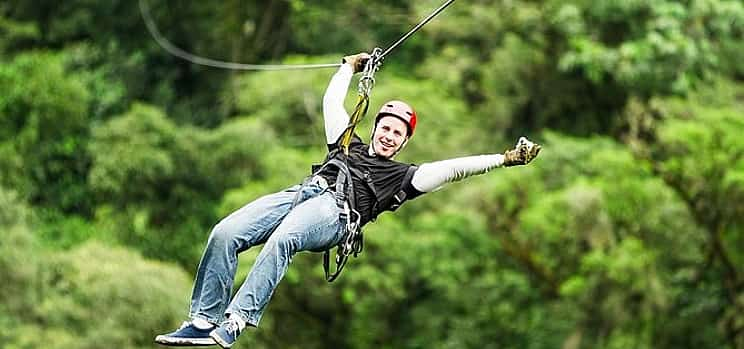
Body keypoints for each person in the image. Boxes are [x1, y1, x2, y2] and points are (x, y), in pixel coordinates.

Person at [155, 53, 541, 348]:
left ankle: (235, 321)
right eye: (386, 128)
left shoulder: (404, 177)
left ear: (405, 143)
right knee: (226, 232)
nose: (390, 136)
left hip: (336, 213)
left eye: (398, 134)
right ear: (375, 128)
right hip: (302, 193)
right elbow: (331, 104)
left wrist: (504, 159)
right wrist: (347, 67)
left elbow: (455, 168)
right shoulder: (345, 142)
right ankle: (203, 321)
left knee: (284, 238)